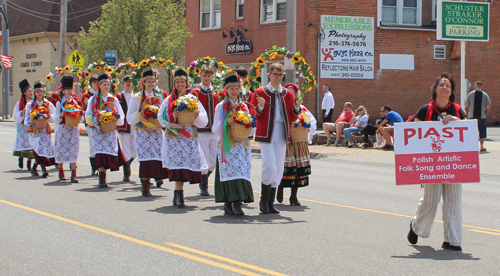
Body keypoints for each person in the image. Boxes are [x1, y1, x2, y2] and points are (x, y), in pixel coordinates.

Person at [407, 73, 467, 252]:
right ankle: (417, 226)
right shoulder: (425, 110)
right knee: (431, 200)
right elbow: (413, 136)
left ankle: (452, 240)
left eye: (448, 85)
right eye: (441, 84)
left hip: (454, 163)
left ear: (451, 91)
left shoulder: (457, 109)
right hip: (431, 165)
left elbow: (468, 128)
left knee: (454, 201)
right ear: (435, 89)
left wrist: (457, 121)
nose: (444, 87)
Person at [250, 62, 301, 214]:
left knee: (279, 167)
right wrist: (260, 106)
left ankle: (270, 202)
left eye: (280, 75)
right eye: (275, 74)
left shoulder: (288, 93)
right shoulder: (260, 92)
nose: (278, 78)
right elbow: (254, 114)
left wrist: (297, 108)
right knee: (269, 165)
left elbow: (292, 115)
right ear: (269, 75)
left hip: (281, 131)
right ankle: (263, 200)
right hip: (266, 131)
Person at [159, 67, 208, 207]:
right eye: (178, 82)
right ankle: (179, 195)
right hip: (174, 137)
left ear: (187, 83)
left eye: (183, 82)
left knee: (186, 166)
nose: (180, 84)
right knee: (178, 168)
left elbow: (204, 121)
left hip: (188, 138)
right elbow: (161, 119)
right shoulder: (169, 100)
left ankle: (179, 195)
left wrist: (196, 117)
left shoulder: (193, 99)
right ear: (174, 84)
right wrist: (174, 115)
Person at [212, 72, 256, 216]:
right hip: (228, 145)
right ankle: (228, 203)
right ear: (226, 90)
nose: (234, 91)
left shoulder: (243, 106)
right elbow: (214, 127)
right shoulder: (221, 106)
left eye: (237, 88)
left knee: (241, 172)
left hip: (241, 144)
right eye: (232, 89)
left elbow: (250, 126)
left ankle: (238, 203)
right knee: (230, 171)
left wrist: (249, 127)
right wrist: (226, 122)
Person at [127, 69, 168, 197]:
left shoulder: (160, 96)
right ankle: (145, 185)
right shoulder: (137, 97)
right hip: (142, 131)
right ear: (143, 83)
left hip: (156, 131)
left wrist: (161, 122)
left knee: (156, 155)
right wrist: (142, 114)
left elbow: (163, 112)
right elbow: (129, 118)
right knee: (146, 158)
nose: (151, 84)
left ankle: (155, 179)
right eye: (148, 81)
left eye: (152, 81)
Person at [277, 83, 316, 206]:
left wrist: (306, 129)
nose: (290, 93)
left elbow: (311, 122)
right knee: (285, 167)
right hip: (286, 141)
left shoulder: (302, 108)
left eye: (293, 91)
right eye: (288, 91)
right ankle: (280, 188)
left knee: (299, 169)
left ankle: (294, 196)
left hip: (299, 142)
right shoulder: (281, 106)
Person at [85, 73, 126, 188]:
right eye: (104, 84)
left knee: (108, 152)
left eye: (108, 84)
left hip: (110, 131)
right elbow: (87, 116)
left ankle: (104, 174)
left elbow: (121, 117)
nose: (107, 87)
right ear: (99, 85)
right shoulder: (93, 100)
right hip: (98, 131)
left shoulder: (113, 99)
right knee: (100, 153)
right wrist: (97, 119)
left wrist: (113, 119)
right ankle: (102, 177)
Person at [192, 65, 219, 196]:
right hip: (201, 130)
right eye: (204, 75)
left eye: (209, 76)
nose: (207, 78)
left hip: (214, 131)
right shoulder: (195, 92)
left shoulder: (216, 94)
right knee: (204, 159)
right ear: (200, 76)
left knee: (213, 161)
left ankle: (203, 179)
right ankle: (204, 185)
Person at [24, 81, 56, 178]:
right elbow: (26, 119)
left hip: (44, 129)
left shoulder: (48, 104)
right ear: (35, 93)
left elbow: (54, 118)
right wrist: (33, 120)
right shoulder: (30, 105)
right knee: (39, 147)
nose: (40, 94)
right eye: (38, 92)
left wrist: (48, 116)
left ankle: (34, 167)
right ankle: (44, 169)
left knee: (44, 149)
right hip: (34, 130)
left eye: (41, 92)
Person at [54, 76, 82, 183]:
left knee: (73, 150)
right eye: (68, 90)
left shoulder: (75, 102)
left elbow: (80, 116)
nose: (70, 92)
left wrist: (79, 117)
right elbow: (55, 119)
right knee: (61, 150)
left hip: (73, 130)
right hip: (63, 129)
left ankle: (74, 174)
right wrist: (61, 114)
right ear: (63, 90)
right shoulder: (59, 103)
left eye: (71, 89)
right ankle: (61, 170)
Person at [117, 75, 137, 182]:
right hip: (124, 127)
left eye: (130, 81)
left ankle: (127, 163)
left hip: (135, 126)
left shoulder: (137, 96)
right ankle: (126, 173)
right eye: (126, 81)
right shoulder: (119, 96)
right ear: (123, 83)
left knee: (135, 151)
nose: (128, 83)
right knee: (126, 150)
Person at [13, 79, 35, 171]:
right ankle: (21, 157)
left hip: (31, 127)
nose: (31, 92)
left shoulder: (33, 103)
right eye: (29, 91)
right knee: (23, 144)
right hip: (22, 128)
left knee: (32, 144)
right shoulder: (19, 104)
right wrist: (22, 112)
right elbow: (15, 117)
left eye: (31, 91)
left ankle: (29, 163)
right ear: (24, 92)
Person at [465, 81, 492, 152]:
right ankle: (482, 146)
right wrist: (485, 113)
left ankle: (471, 146)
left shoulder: (471, 94)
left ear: (475, 86)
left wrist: (467, 113)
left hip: (472, 116)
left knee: (471, 132)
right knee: (482, 131)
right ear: (481, 86)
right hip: (482, 117)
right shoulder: (485, 95)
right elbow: (489, 106)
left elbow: (467, 105)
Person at [81, 75, 99, 176]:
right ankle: (94, 167)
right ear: (91, 84)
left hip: (101, 122)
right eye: (94, 82)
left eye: (98, 82)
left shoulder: (102, 94)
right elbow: (82, 110)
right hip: (90, 123)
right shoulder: (86, 96)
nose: (96, 84)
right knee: (92, 144)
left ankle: (100, 165)